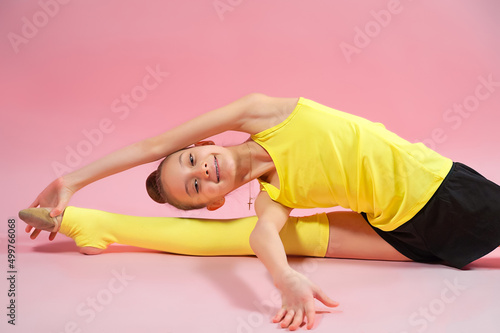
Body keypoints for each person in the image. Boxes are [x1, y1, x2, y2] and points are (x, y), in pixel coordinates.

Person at [20, 93, 500, 331]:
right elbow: (262, 238)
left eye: (191, 160)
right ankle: (94, 226)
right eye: (195, 187)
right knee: (233, 239)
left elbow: (155, 144)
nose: (202, 170)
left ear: (202, 144)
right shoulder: (276, 194)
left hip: (450, 195)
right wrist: (286, 279)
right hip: (409, 238)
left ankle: (91, 220)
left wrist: (72, 179)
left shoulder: (263, 113)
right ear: (213, 200)